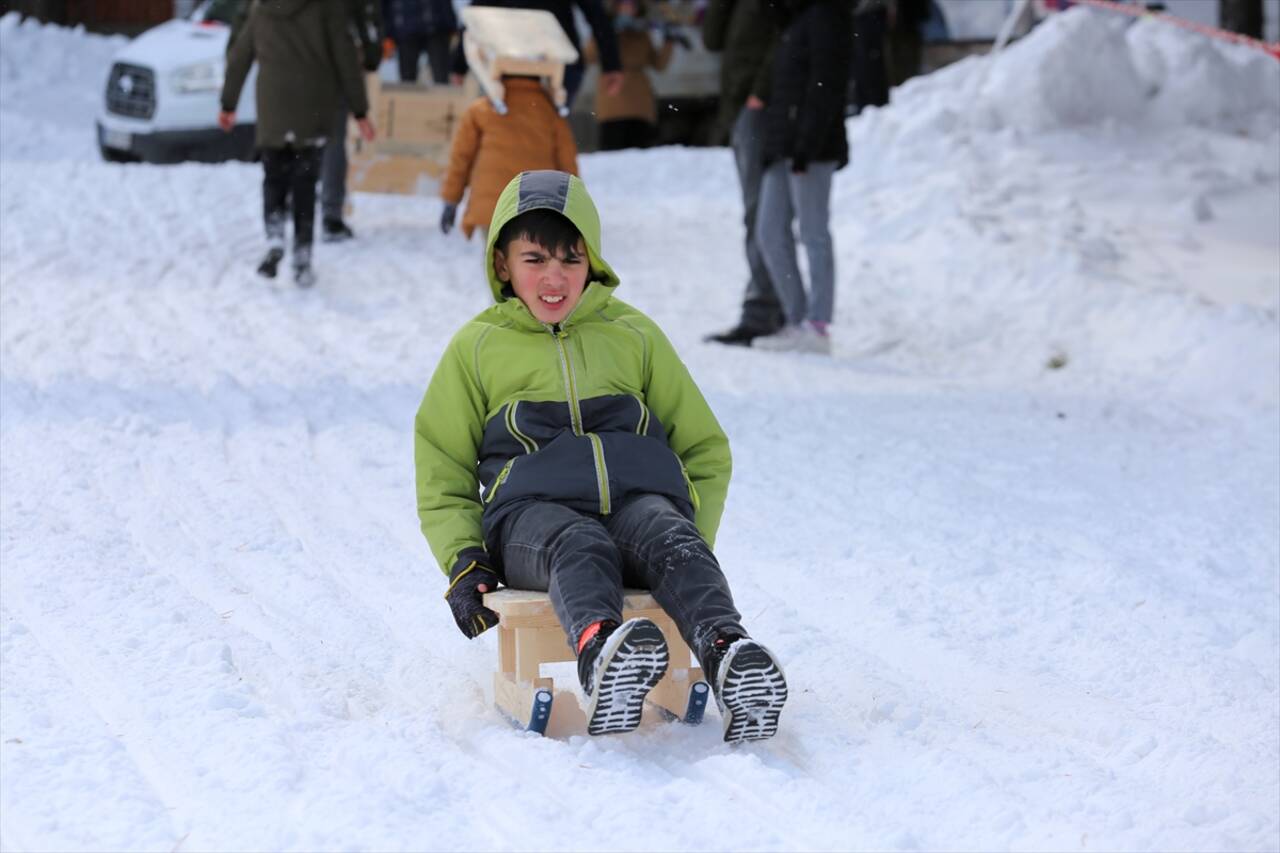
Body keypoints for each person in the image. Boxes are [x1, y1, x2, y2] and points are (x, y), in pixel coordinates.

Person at [415, 170, 789, 742]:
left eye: (571, 258)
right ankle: (603, 653)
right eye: (534, 259)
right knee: (579, 541)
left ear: (593, 262)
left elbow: (704, 446)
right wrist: (464, 559)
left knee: (667, 531)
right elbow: (442, 462)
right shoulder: (478, 348)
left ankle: (730, 655)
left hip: (637, 504)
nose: (554, 277)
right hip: (531, 521)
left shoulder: (633, 334)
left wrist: (690, 533)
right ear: (502, 265)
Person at [220, 0, 375, 287]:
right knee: (305, 182)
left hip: (273, 105)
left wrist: (228, 103)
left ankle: (275, 235)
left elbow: (240, 55)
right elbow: (345, 57)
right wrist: (360, 109)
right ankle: (302, 255)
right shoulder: (327, 8)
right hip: (313, 105)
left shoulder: (262, 7)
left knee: (273, 175)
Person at [751, 0, 851, 354]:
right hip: (782, 147)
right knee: (769, 232)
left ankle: (818, 325)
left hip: (811, 149)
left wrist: (807, 144)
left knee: (813, 232)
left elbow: (826, 86)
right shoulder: (795, 19)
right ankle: (797, 318)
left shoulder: (827, 15)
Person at [700, 0, 785, 347]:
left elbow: (786, 39)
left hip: (761, 110)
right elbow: (712, 39)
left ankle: (764, 309)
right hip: (739, 110)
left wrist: (760, 93)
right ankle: (770, 303)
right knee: (758, 215)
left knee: (762, 215)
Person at [438, 75, 579, 240]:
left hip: (492, 207)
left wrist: (451, 200)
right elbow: (567, 163)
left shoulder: (483, 108)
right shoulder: (550, 111)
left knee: (495, 261)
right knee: (531, 261)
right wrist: (573, 209)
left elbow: (461, 158)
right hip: (537, 206)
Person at [449, 0, 625, 108]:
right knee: (530, 129)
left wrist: (612, 65)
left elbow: (596, 14)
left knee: (545, 127)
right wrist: (459, 65)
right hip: (514, 65)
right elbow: (476, 14)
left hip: (556, 65)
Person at [582, 0, 683, 151]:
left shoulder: (642, 33)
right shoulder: (605, 30)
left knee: (642, 153)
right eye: (623, 4)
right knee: (613, 152)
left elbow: (659, 64)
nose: (627, 9)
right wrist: (606, 32)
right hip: (612, 101)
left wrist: (669, 40)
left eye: (631, 5)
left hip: (640, 104)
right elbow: (588, 57)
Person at [382, 0, 457, 84]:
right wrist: (387, 34)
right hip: (405, 31)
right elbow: (384, 5)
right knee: (407, 82)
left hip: (436, 29)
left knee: (441, 79)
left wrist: (451, 24)